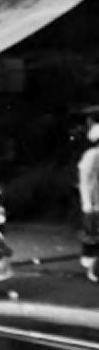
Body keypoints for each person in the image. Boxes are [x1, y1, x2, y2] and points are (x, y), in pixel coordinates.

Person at [78, 114, 99, 282]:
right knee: (92, 235)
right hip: (94, 203)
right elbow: (85, 181)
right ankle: (92, 267)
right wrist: (87, 202)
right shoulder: (91, 155)